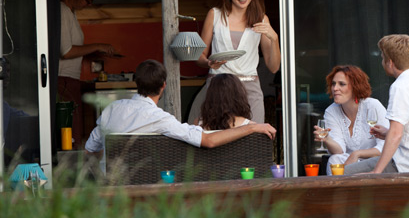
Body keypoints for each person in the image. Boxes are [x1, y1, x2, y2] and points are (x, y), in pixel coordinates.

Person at [85, 60, 276, 171]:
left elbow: (90, 150)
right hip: (147, 188)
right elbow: (208, 141)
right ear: (163, 86)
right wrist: (251, 127)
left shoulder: (111, 109)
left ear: (137, 83)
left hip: (110, 188)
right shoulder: (160, 119)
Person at [344, 34, 409, 175]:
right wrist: (386, 133)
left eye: (382, 58)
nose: (381, 62)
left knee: (344, 173)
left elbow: (396, 134)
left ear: (390, 62)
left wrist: (376, 172)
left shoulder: (401, 86)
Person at [188, 0, 280, 125]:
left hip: (249, 88)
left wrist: (275, 38)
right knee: (210, 132)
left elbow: (274, 67)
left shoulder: (261, 19)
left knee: (253, 136)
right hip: (219, 86)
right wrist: (209, 63)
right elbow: (199, 57)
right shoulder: (215, 15)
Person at [59, 0, 117, 146]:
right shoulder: (62, 11)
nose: (89, 4)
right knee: (70, 133)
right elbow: (66, 51)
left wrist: (93, 52)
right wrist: (98, 46)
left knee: (74, 132)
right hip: (63, 80)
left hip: (70, 80)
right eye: (88, 0)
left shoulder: (71, 12)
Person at [312, 65, 387, 175]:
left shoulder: (373, 106)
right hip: (350, 163)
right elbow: (339, 150)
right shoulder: (331, 111)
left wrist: (357, 154)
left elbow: (385, 146)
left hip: (376, 163)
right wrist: (327, 139)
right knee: (334, 159)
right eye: (333, 84)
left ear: (355, 87)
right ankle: (337, 186)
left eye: (341, 84)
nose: (335, 88)